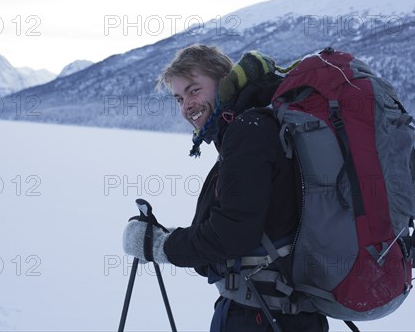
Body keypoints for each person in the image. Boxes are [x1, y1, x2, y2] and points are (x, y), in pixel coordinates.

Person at [123, 44, 328, 331]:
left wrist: (159, 246)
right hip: (283, 312)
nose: (186, 106)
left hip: (259, 316)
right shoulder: (261, 125)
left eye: (194, 91)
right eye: (179, 98)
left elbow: (232, 235)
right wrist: (166, 237)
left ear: (223, 80)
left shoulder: (248, 132)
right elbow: (244, 223)